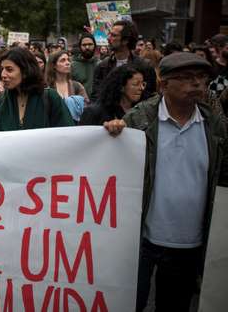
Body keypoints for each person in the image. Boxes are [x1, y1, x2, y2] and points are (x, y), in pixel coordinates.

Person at [103, 52, 228, 312]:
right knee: (128, 304)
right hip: (140, 240)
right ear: (163, 86)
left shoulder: (214, 125)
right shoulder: (138, 120)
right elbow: (112, 168)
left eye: (201, 78)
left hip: (190, 241)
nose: (196, 84)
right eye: (185, 78)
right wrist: (113, 134)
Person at [0, 48, 74, 131]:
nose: (3, 75)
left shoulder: (50, 98)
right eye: (2, 69)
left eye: (9, 69)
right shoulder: (1, 101)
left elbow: (66, 135)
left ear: (25, 71)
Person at [92, 20, 156, 102]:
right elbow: (96, 98)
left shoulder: (144, 66)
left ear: (125, 40)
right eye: (109, 34)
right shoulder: (102, 66)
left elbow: (150, 98)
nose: (108, 38)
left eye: (113, 35)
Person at [79, 64, 144, 125]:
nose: (142, 88)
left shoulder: (141, 111)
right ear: (121, 87)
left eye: (143, 84)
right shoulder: (94, 113)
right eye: (136, 84)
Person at [45, 51, 89, 122]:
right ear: (54, 65)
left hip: (74, 127)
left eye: (68, 60)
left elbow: (86, 108)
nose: (68, 63)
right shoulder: (47, 87)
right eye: (63, 60)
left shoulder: (77, 86)